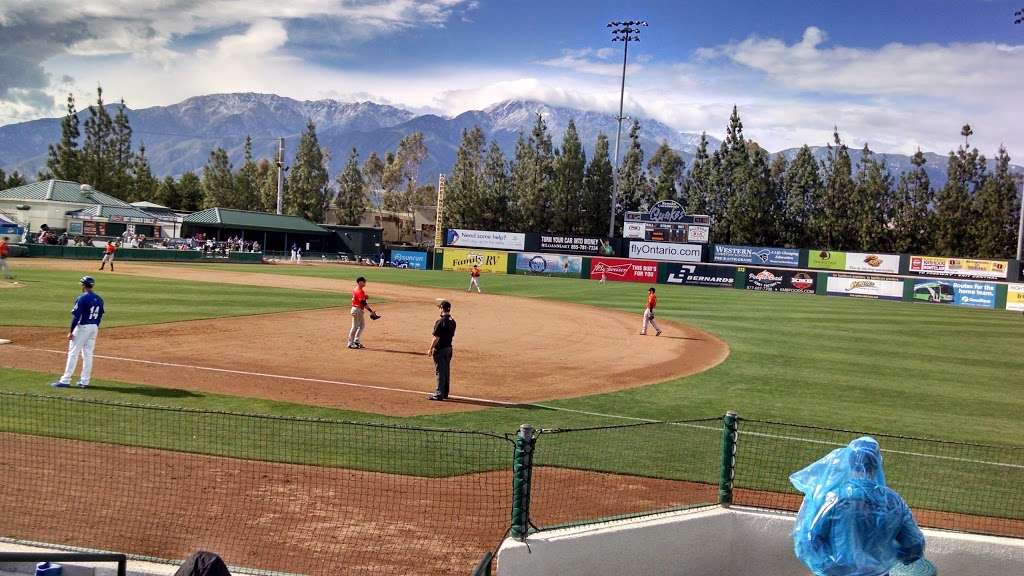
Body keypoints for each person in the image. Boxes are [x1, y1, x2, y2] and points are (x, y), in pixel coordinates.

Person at [791, 437, 926, 576]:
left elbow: (807, 541)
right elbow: (914, 546)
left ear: (849, 462)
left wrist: (830, 568)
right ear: (877, 463)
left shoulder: (833, 498)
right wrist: (890, 556)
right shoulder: (894, 502)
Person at [51, 276, 105, 389]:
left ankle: (65, 380)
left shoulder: (82, 298)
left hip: (83, 328)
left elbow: (76, 317)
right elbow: (100, 316)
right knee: (88, 354)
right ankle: (84, 381)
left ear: (84, 285)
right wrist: (94, 327)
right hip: (94, 327)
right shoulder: (99, 299)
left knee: (73, 353)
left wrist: (71, 331)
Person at [427, 299, 457, 401]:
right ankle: (445, 393)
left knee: (440, 371)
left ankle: (439, 393)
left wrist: (430, 349)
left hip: (440, 349)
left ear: (442, 308)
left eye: (439, 308)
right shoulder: (453, 321)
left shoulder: (440, 321)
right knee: (446, 371)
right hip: (449, 349)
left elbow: (436, 337)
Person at [347, 276, 378, 349]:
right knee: (355, 327)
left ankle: (356, 341)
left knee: (362, 326)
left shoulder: (358, 289)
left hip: (358, 310)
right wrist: (371, 311)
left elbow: (361, 298)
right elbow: (363, 303)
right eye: (364, 282)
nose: (365, 283)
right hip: (357, 310)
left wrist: (365, 296)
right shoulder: (359, 290)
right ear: (360, 282)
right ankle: (350, 343)